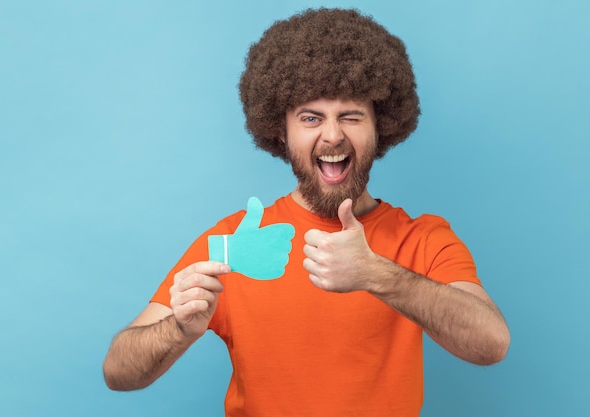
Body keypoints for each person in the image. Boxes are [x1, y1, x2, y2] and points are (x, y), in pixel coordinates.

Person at [103, 8, 510, 417]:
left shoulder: (422, 239)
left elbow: (491, 344)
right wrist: (178, 330)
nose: (332, 134)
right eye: (311, 118)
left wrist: (376, 274)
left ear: (380, 126)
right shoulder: (235, 243)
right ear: (281, 130)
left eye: (351, 116)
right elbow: (118, 371)